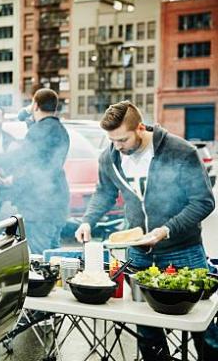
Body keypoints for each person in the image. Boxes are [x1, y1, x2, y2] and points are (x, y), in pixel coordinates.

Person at [75, 101, 217, 359]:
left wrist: (166, 229)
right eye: (112, 140)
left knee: (203, 327)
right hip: (140, 252)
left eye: (122, 139)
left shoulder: (179, 151)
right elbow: (105, 193)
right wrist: (88, 220)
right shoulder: (110, 157)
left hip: (183, 250)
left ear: (140, 128)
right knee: (146, 327)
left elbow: (204, 201)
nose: (117, 146)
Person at [0, 88, 70, 255]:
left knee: (41, 255)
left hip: (39, 208)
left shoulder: (40, 131)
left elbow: (23, 155)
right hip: (56, 204)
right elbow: (40, 157)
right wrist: (28, 119)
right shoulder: (59, 130)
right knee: (54, 254)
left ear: (35, 105)